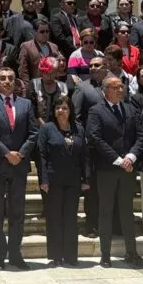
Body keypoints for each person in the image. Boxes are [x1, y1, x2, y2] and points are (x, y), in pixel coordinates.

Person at [0, 68, 38, 270]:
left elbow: (33, 132)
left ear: (16, 82)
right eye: (2, 78)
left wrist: (20, 154)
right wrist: (7, 153)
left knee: (17, 213)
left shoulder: (26, 104)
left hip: (19, 165)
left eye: (10, 78)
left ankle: (15, 254)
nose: (7, 81)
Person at [86, 76, 143, 267]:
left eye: (122, 86)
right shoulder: (96, 111)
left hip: (128, 168)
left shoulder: (130, 109)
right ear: (105, 90)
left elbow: (140, 136)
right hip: (107, 169)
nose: (121, 89)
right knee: (106, 211)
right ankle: (105, 254)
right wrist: (118, 159)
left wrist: (131, 157)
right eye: (116, 87)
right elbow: (95, 137)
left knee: (127, 211)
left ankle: (132, 252)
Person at [38, 94, 88, 267]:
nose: (61, 111)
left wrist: (85, 178)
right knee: (54, 218)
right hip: (53, 180)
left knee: (70, 218)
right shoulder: (47, 129)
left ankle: (71, 256)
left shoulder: (79, 129)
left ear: (70, 111)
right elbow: (42, 156)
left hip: (73, 180)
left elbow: (84, 156)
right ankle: (56, 256)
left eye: (65, 108)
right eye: (58, 108)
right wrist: (43, 179)